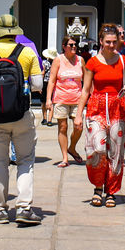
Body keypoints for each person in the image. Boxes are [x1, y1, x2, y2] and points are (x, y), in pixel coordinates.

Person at [0, 14, 45, 226]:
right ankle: (23, 208)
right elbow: (38, 85)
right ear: (15, 32)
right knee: (25, 161)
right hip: (21, 115)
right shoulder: (27, 52)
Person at [74, 24, 125, 207]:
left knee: (116, 153)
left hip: (117, 107)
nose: (111, 45)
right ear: (101, 41)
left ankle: (111, 191)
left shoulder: (123, 61)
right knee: (96, 150)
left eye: (114, 42)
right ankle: (98, 187)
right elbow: (85, 90)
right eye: (108, 42)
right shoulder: (92, 63)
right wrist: (78, 115)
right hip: (97, 107)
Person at [44, 35, 85, 167]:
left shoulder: (80, 60)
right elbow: (51, 80)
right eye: (71, 45)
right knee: (63, 127)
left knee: (79, 127)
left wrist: (90, 95)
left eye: (75, 44)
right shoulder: (58, 60)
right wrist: (48, 99)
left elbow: (87, 79)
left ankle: (72, 147)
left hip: (77, 98)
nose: (74, 47)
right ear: (64, 46)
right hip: (61, 98)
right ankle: (65, 157)